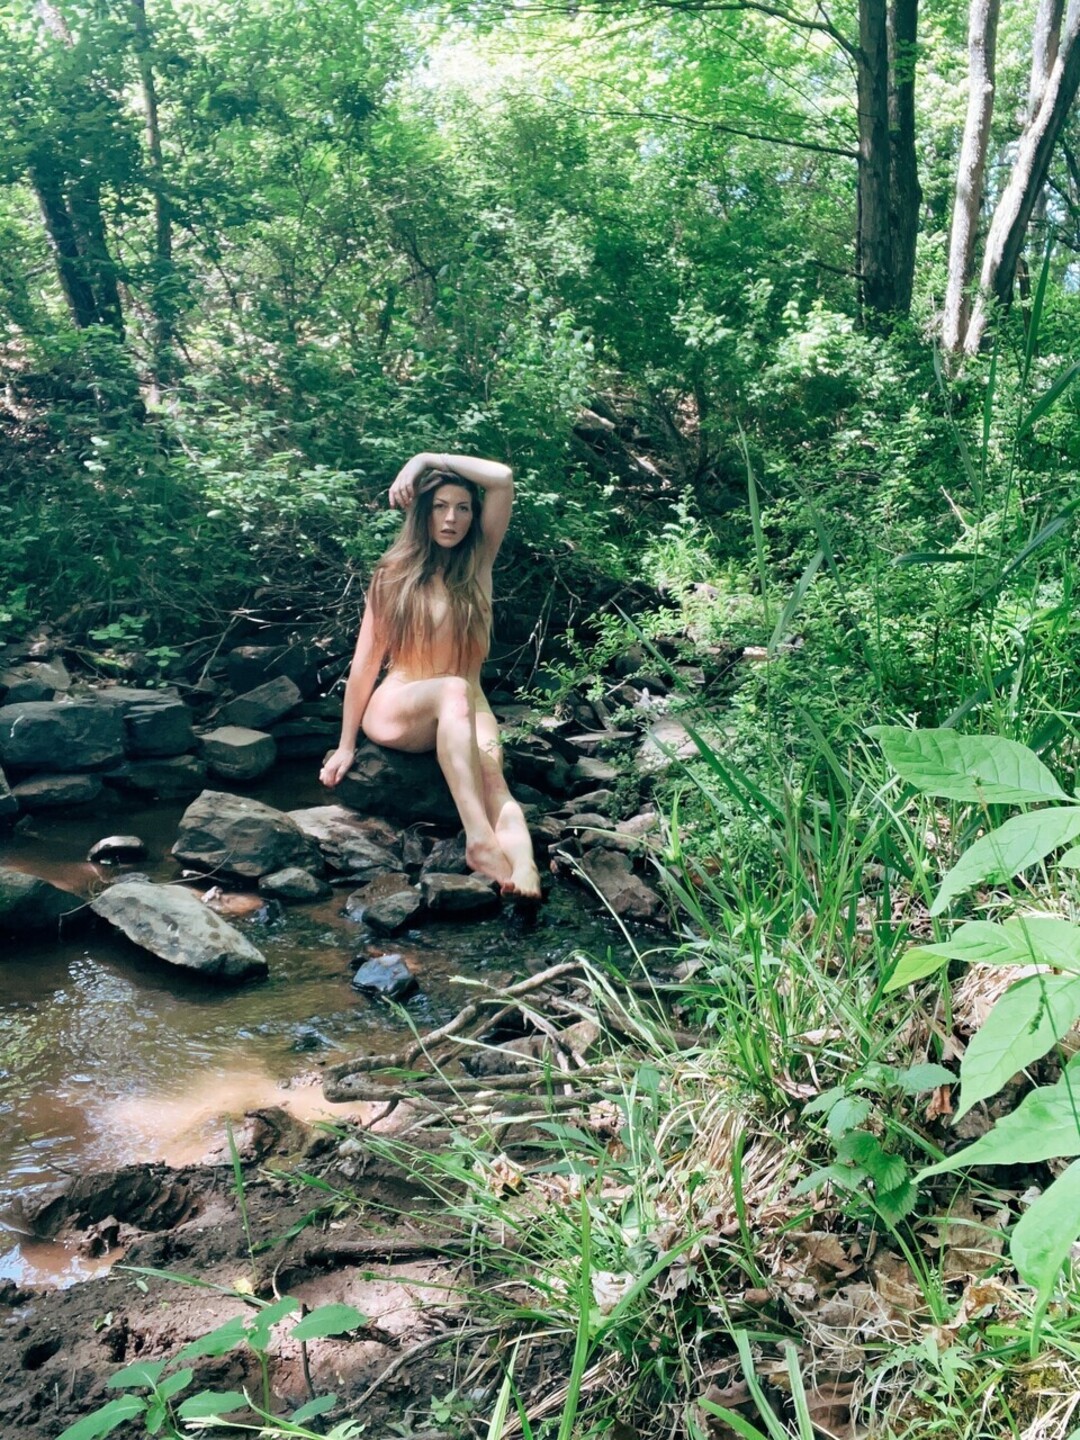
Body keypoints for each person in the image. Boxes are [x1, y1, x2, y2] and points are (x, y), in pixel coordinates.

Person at [319, 451, 542, 900]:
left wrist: (426, 458)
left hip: (467, 705)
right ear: (422, 512)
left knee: (495, 783)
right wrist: (346, 745)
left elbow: (501, 478)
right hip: (400, 705)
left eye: (463, 508)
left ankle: (526, 867)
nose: (451, 518)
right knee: (453, 689)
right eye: (440, 506)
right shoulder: (392, 575)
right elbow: (365, 664)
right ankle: (478, 839)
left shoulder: (478, 565)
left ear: (474, 517)